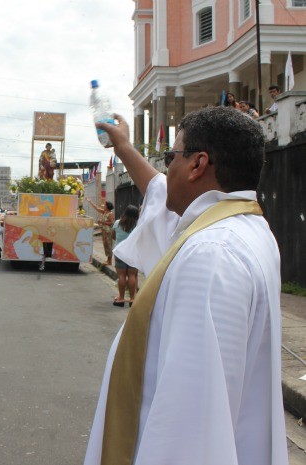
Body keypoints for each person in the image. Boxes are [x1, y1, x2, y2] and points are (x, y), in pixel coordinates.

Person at [84, 106, 287, 465]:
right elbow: (160, 192)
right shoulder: (241, 228)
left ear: (197, 165)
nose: (166, 169)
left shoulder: (210, 254)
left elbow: (188, 424)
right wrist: (125, 148)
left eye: (171, 156)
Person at [111, 205, 139, 307]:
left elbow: (113, 236)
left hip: (120, 252)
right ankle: (132, 299)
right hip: (133, 253)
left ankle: (121, 298)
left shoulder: (117, 223)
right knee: (132, 275)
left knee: (121, 275)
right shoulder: (138, 225)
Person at [86, 198, 115, 265]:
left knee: (109, 245)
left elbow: (111, 223)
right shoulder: (104, 212)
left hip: (108, 232)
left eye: (104, 205)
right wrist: (90, 202)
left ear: (107, 206)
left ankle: (109, 261)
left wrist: (101, 222)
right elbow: (96, 208)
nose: (103, 206)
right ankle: (108, 260)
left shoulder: (110, 214)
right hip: (104, 231)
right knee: (106, 245)